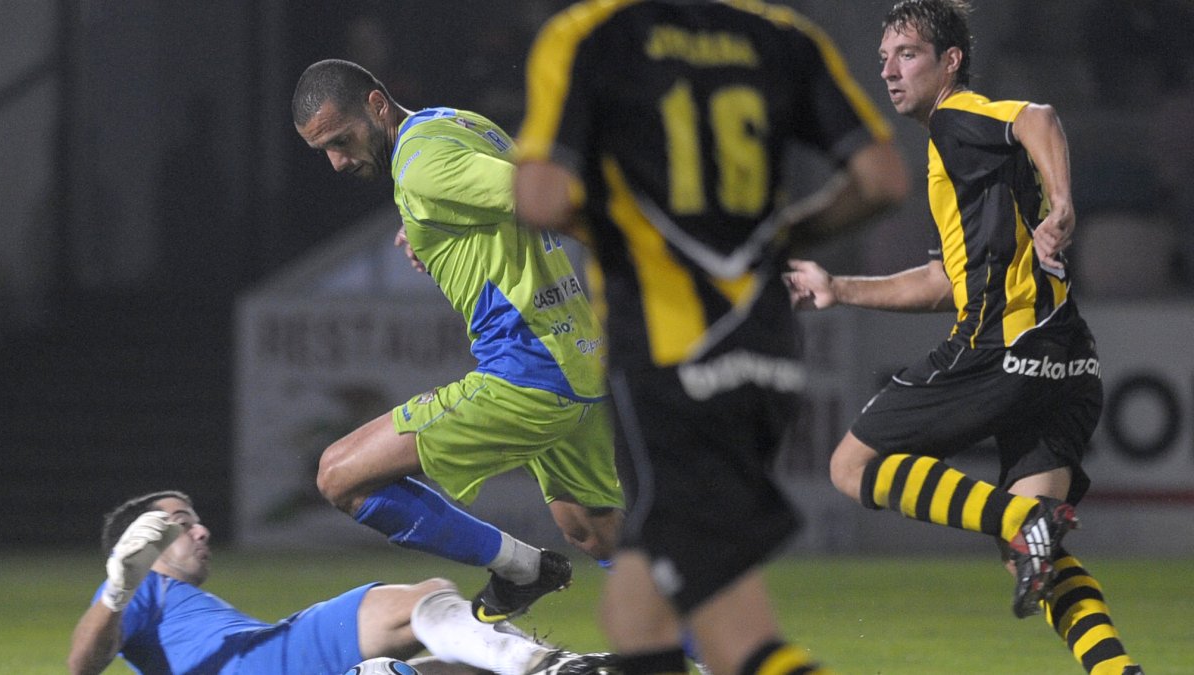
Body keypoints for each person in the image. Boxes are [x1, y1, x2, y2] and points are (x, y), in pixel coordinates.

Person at [514, 2, 908, 675]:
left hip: (668, 360)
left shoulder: (588, 36)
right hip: (767, 357)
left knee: (723, 630)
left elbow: (541, 198)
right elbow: (882, 179)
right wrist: (786, 233)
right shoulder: (785, 37)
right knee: (647, 612)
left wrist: (619, 227)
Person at [785, 2, 1143, 674]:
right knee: (1030, 558)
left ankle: (1021, 521)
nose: (889, 71)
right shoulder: (961, 155)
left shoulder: (957, 120)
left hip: (1002, 350)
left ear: (950, 61)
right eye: (884, 58)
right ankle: (1118, 670)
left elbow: (1038, 116)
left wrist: (1065, 203)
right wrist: (839, 287)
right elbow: (946, 282)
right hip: (1067, 360)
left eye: (907, 54)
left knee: (850, 467)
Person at [290, 59, 625, 624]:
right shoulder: (454, 123)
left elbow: (556, 196)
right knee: (595, 533)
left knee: (339, 475)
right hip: (577, 359)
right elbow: (505, 198)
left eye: (341, 140)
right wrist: (428, 230)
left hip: (529, 372)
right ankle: (721, 654)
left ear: (376, 105)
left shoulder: (422, 168)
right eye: (323, 150)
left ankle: (523, 569)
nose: (337, 161)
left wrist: (661, 262)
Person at [68, 490, 619, 675]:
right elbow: (82, 665)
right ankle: (546, 666)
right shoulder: (136, 589)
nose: (201, 530)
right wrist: (118, 585)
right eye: (180, 523)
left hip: (280, 655)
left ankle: (554, 666)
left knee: (465, 666)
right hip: (275, 659)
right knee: (424, 599)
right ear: (138, 543)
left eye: (195, 519)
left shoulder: (172, 599)